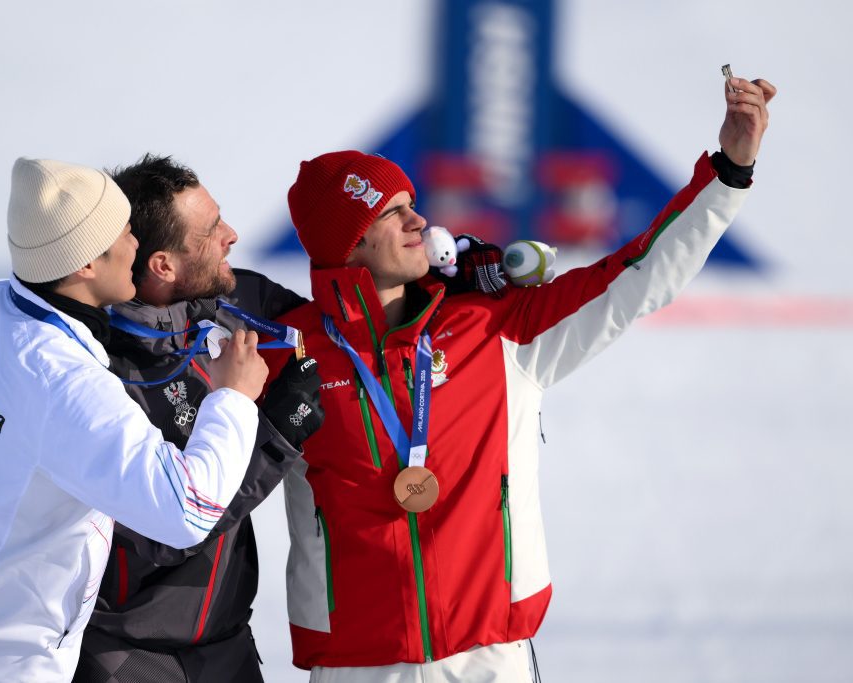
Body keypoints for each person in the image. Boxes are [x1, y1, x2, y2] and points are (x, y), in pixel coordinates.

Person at [268, 74, 776, 682]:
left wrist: (728, 172)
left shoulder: (496, 326)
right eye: (391, 211)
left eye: (411, 204)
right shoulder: (285, 353)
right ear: (345, 240)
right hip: (359, 667)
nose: (418, 220)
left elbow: (636, 275)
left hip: (490, 660)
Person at [0, 158, 268, 683]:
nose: (137, 246)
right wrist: (233, 398)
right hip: (2, 661)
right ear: (86, 264)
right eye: (125, 234)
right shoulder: (65, 383)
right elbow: (187, 510)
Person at [72, 154, 324, 683]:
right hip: (131, 659)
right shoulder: (101, 372)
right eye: (212, 230)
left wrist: (447, 279)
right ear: (163, 265)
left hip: (228, 645)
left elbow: (340, 319)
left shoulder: (224, 295)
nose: (232, 234)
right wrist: (278, 431)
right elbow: (168, 531)